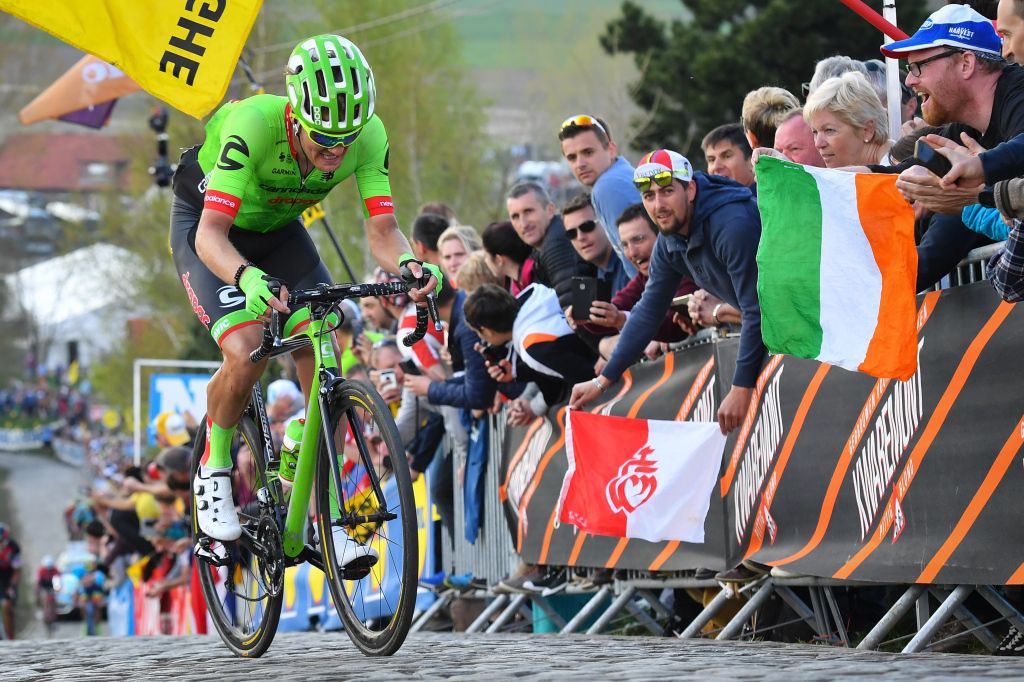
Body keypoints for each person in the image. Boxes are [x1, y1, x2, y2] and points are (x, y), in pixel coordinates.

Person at [168, 34, 440, 571]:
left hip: (279, 232)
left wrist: (409, 265)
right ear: (294, 116)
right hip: (212, 232)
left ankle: (328, 513)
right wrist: (246, 278)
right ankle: (215, 467)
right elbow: (211, 236)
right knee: (247, 349)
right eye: (323, 139)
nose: (335, 152)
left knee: (325, 356)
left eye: (347, 139)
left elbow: (382, 231)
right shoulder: (254, 126)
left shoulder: (369, 136)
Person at [569, 150, 765, 435]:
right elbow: (648, 311)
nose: (658, 204)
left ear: (691, 188)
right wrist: (603, 381)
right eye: (649, 196)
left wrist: (740, 387)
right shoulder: (669, 240)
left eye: (667, 191)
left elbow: (758, 309)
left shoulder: (731, 224)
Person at [578, 203, 696, 361]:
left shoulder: (685, 268)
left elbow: (675, 325)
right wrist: (584, 314)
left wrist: (621, 320)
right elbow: (616, 307)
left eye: (638, 239)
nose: (632, 253)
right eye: (625, 245)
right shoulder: (644, 277)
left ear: (661, 237)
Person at [558, 114, 640, 277]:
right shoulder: (623, 172)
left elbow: (638, 259)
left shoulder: (607, 187)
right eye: (572, 157)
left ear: (611, 150)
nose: (580, 164)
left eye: (588, 152)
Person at [506, 182, 582, 309]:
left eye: (528, 211)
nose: (523, 223)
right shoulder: (544, 244)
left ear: (550, 210)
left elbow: (575, 310)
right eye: (515, 216)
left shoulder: (556, 245)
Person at [804, 71, 892, 167]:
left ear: (867, 130)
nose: (818, 144)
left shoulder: (900, 176)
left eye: (829, 130)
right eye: (815, 132)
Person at [561, 192, 630, 297]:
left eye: (587, 227)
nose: (580, 237)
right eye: (571, 233)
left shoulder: (629, 265)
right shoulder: (598, 273)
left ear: (604, 222)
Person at [482, 220, 535, 294]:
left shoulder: (538, 277)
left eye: (486, 256)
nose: (485, 261)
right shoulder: (516, 286)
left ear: (499, 260)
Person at [0, 523, 20, 639]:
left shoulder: (14, 547)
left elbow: (17, 570)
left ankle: (11, 637)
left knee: (7, 606)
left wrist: (12, 586)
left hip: (9, 576)